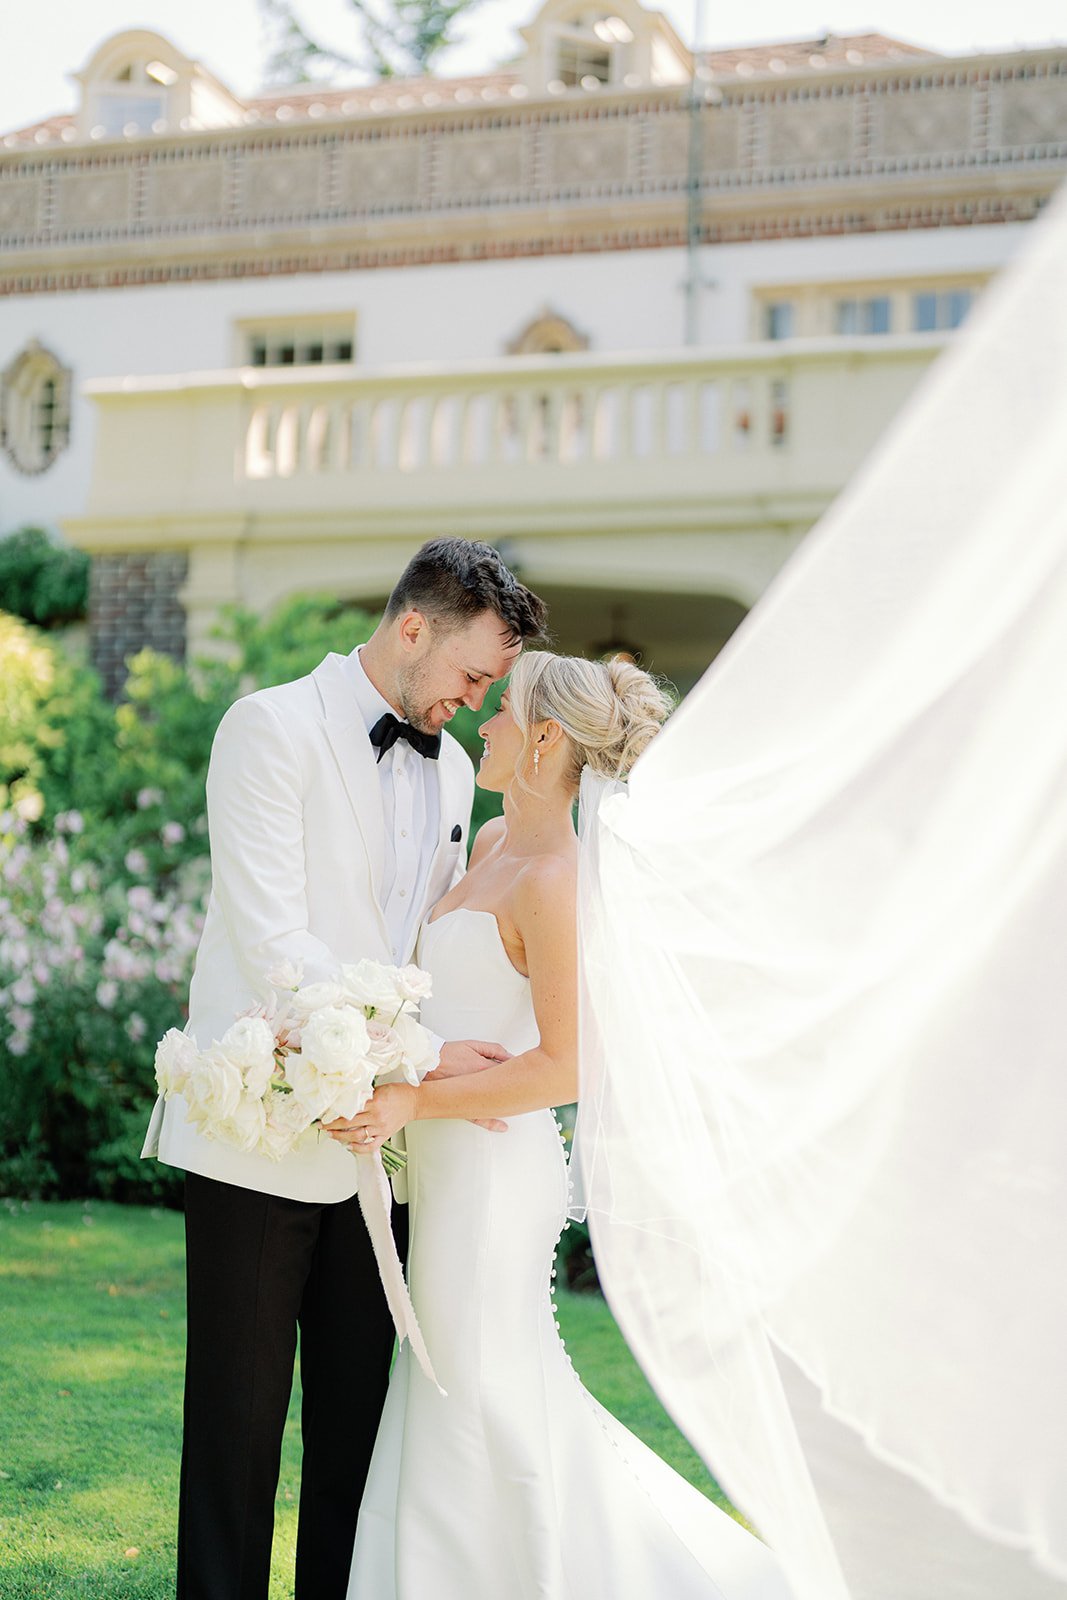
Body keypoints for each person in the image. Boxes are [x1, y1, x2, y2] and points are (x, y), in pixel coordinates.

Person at [333, 651, 795, 1600]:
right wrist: (396, 1060)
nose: (484, 723)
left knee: (478, 1392)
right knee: (454, 1390)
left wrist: (414, 1100)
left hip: (496, 1184)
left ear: (545, 739)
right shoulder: (494, 838)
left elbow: (564, 1066)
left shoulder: (551, 878)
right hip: (451, 1168)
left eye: (501, 710)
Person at [140, 537, 547, 1600]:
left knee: (355, 1451)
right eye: (469, 674)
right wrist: (418, 1052)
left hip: (386, 1158)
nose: (473, 698)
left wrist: (431, 1071)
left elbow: (421, 951)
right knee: (234, 1439)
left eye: (489, 686)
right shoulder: (267, 728)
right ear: (411, 627)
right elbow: (279, 944)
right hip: (257, 1137)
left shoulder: (454, 767)